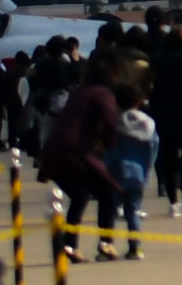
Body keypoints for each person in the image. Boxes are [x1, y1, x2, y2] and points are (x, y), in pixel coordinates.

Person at [40, 54, 128, 263]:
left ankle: (69, 245)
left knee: (80, 195)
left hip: (56, 150)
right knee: (106, 193)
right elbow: (110, 123)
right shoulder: (103, 94)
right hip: (74, 153)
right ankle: (105, 244)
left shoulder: (81, 92)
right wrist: (110, 146)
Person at [109, 97, 156, 257]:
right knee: (132, 211)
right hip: (138, 174)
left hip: (117, 173)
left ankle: (107, 245)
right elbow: (153, 150)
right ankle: (135, 248)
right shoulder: (148, 124)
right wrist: (147, 172)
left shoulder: (116, 123)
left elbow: (110, 151)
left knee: (110, 210)